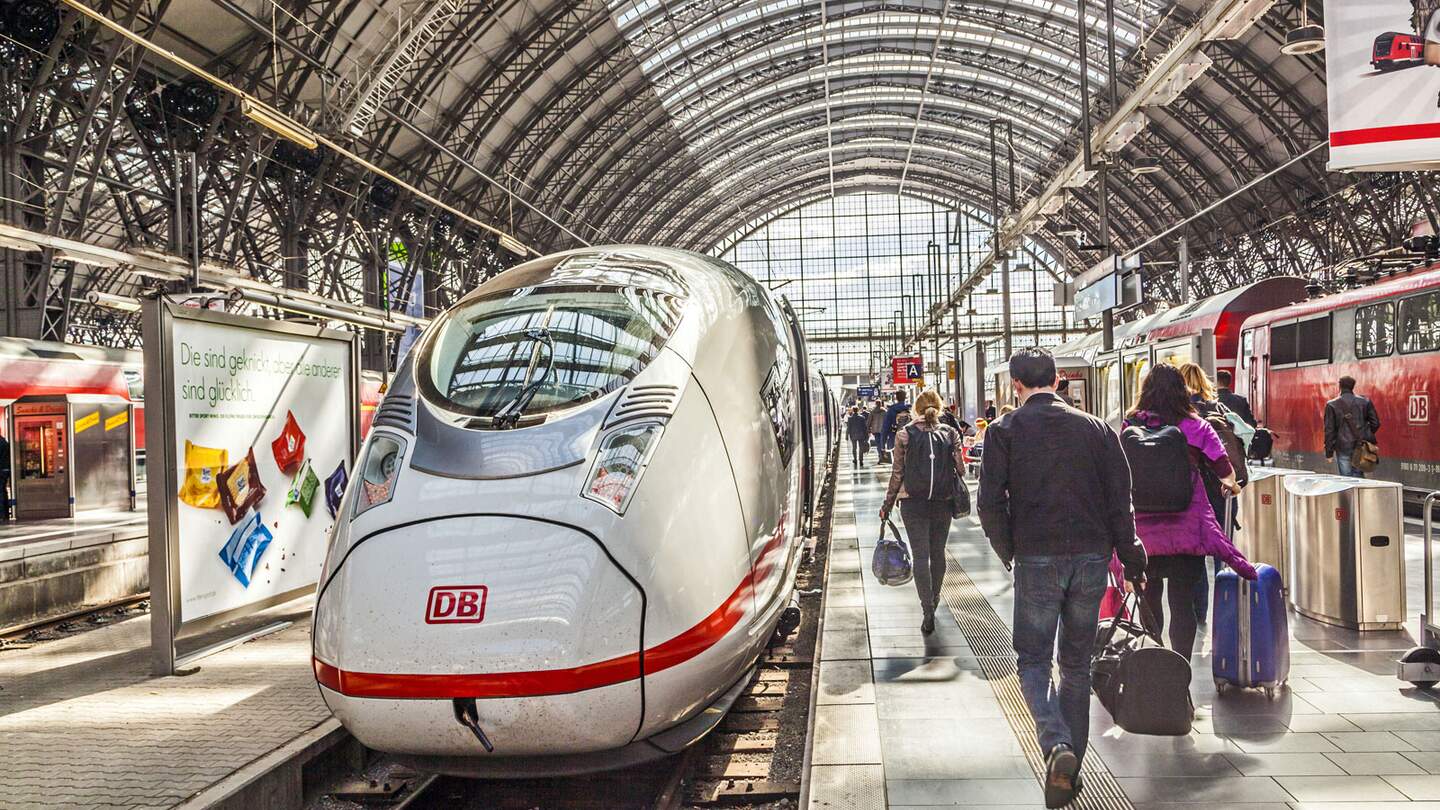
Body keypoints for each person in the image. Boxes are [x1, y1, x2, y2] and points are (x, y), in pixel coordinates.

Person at [977, 348, 1147, 810]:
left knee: (1033, 660)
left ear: (1015, 385)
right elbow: (1121, 498)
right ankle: (1071, 775)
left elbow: (989, 503)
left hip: (1036, 556)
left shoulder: (1003, 431)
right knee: (1076, 665)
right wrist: (1131, 557)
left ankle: (1057, 746)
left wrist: (1010, 551)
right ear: (1057, 380)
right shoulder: (1095, 428)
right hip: (1093, 557)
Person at [1125, 364, 1257, 663]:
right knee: (1182, 601)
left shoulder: (1130, 423)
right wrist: (1232, 487)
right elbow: (1224, 469)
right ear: (1182, 391)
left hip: (1145, 532)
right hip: (1187, 527)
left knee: (1150, 596)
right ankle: (1181, 667)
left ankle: (1155, 662)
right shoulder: (1195, 425)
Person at [880, 389, 967, 636]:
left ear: (916, 410)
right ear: (938, 408)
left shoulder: (905, 434)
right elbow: (960, 469)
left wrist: (887, 505)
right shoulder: (950, 433)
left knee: (920, 556)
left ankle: (926, 609)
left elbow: (897, 474)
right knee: (937, 553)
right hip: (943, 501)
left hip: (912, 502)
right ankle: (936, 598)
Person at [1324, 376, 1381, 478]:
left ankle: (1350, 494)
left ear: (1339, 387)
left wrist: (1329, 453)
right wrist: (1365, 434)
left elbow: (1329, 430)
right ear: (1353, 387)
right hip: (1360, 445)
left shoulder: (1331, 405)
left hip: (1342, 447)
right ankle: (1358, 493)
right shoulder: (1365, 402)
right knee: (1358, 476)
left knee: (1346, 478)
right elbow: (1375, 423)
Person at [881, 389, 911, 454]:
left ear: (896, 398)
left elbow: (885, 428)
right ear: (905, 397)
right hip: (910, 440)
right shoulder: (910, 409)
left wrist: (883, 445)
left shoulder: (891, 409)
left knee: (897, 461)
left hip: (894, 439)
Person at [0, 432, 9, 521]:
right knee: (3, 491)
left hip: (1, 470)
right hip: (5, 470)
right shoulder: (4, 442)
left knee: (1, 492)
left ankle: (2, 514)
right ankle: (5, 514)